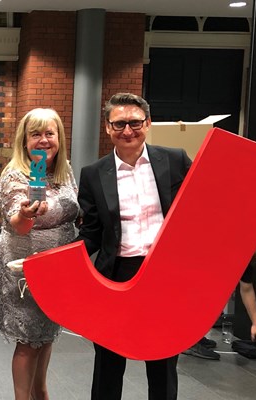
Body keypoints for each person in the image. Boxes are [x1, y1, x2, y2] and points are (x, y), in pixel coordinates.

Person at [76, 93, 191, 400]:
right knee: (109, 360)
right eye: (119, 124)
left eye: (135, 122)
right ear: (107, 127)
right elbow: (91, 233)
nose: (128, 130)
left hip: (164, 276)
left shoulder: (176, 160)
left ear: (148, 123)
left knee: (163, 360)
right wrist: (54, 261)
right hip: (117, 276)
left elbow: (198, 210)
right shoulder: (93, 174)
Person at [0, 108, 78, 400]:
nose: (43, 140)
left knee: (45, 334)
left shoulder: (64, 169)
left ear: (59, 138)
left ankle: (40, 392)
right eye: (36, 134)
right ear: (24, 140)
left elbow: (72, 209)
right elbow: (17, 222)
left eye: (49, 133)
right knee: (29, 339)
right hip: (24, 270)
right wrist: (27, 214)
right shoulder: (15, 172)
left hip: (59, 269)